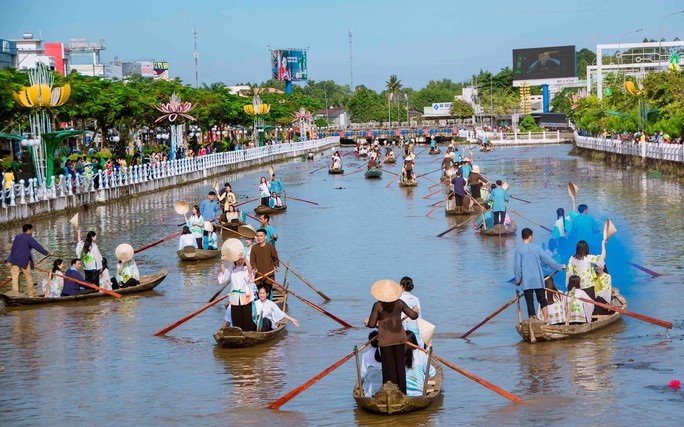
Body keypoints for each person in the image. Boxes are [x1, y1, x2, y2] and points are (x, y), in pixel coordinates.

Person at [365, 279, 419, 395]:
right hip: (400, 338)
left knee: (388, 369)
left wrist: (366, 322)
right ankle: (402, 394)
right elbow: (413, 316)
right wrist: (416, 311)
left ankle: (390, 394)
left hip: (385, 341)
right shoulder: (399, 303)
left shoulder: (378, 305)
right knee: (400, 367)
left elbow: (371, 324)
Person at [514, 228, 566, 322]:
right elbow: (548, 260)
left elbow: (517, 268)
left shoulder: (519, 250)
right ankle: (546, 320)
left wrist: (517, 280)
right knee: (542, 300)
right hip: (538, 279)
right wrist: (559, 267)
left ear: (522, 237)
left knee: (530, 302)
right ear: (530, 236)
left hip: (526, 281)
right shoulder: (537, 248)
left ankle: (533, 319)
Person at [5, 224, 53, 297]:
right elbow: (38, 247)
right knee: (28, 278)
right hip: (24, 261)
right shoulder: (29, 238)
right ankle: (31, 295)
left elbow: (13, 249)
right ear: (29, 230)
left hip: (14, 260)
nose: (32, 231)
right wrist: (47, 253)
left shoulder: (17, 237)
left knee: (15, 278)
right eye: (32, 230)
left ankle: (15, 295)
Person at [220, 255, 257, 331]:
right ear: (235, 261)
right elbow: (223, 273)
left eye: (241, 260)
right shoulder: (232, 270)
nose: (240, 262)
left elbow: (250, 272)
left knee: (247, 319)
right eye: (238, 260)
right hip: (235, 298)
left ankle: (249, 334)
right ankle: (238, 333)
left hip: (245, 297)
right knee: (236, 319)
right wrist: (222, 261)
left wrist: (246, 260)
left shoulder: (246, 269)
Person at [404, 330, 436, 397]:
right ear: (414, 341)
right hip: (418, 393)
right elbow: (431, 372)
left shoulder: (399, 355)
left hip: (403, 393)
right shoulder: (421, 354)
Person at [250, 228, 280, 295]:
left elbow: (275, 259)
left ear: (265, 237)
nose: (259, 238)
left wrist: (277, 266)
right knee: (260, 295)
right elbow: (252, 261)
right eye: (257, 236)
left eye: (261, 236)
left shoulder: (271, 247)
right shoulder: (254, 248)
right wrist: (254, 268)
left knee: (267, 294)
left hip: (268, 276)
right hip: (259, 276)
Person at [399, 276, 423, 348]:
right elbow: (419, 316)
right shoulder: (415, 299)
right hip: (414, 329)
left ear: (401, 286)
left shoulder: (398, 299)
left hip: (402, 328)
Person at [360, 330, 383, 397]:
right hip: (384, 389)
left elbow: (362, 375)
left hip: (370, 393)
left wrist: (359, 386)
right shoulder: (386, 353)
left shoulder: (365, 355)